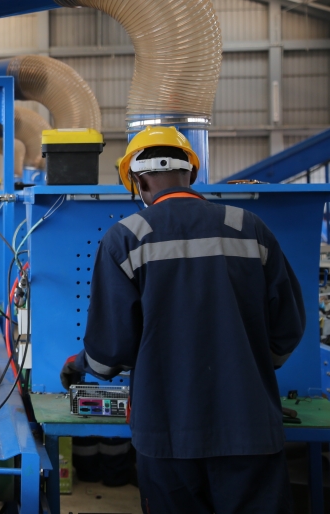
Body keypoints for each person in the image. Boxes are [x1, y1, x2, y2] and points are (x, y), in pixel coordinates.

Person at [60, 126, 305, 514]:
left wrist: (81, 365)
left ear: (137, 182)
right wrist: (255, 364)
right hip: (251, 427)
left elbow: (111, 352)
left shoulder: (126, 238)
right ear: (191, 173)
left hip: (167, 433)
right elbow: (288, 328)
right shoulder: (249, 228)